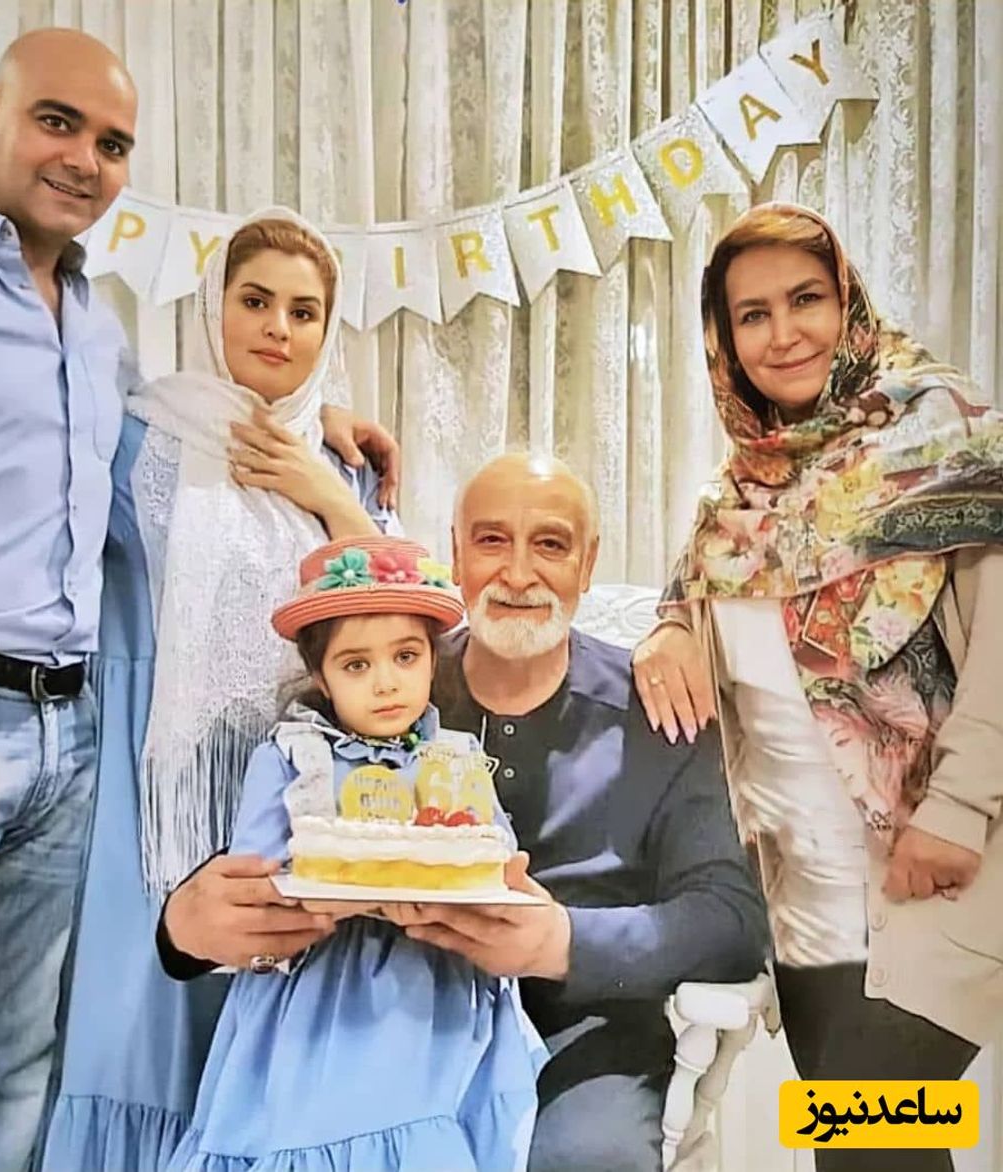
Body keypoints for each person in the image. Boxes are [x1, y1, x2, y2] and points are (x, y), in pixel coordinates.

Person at [0, 27, 397, 1172]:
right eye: (56, 121)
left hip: (69, 740)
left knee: (12, 1094)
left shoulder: (92, 330)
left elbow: (368, 591)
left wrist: (330, 456)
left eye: (112, 141)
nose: (83, 157)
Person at [160, 452, 769, 1172]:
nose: (518, 573)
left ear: (587, 563)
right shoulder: (387, 672)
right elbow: (293, 816)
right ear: (456, 552)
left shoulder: (658, 713)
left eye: (550, 544)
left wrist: (561, 943)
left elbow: (731, 921)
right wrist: (185, 930)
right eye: (491, 540)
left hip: (580, 1034)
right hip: (383, 1020)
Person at [631, 202, 1003, 1172]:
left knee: (868, 1139)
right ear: (724, 337)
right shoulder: (740, 493)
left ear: (850, 303)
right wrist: (668, 623)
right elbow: (699, 591)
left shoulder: (947, 434)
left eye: (806, 299)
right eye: (751, 314)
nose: (783, 332)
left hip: (939, 874)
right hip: (806, 904)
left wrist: (959, 809)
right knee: (877, 1153)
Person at [41, 209, 402, 1171]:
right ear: (215, 310)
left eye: (304, 312)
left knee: (263, 1034)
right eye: (255, 301)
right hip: (146, 776)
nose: (277, 328)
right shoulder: (139, 437)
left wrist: (329, 497)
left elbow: (397, 623)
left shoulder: (346, 471)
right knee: (136, 1033)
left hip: (289, 790)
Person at [159, 533, 545, 1171]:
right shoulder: (292, 757)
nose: (386, 683)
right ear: (321, 676)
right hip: (324, 999)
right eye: (357, 665)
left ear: (432, 660)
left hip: (439, 992)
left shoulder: (456, 759)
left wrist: (500, 887)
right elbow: (261, 874)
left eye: (405, 656)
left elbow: (490, 854)